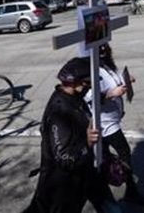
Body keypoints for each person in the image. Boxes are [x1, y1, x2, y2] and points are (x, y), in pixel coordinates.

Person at [24, 57, 114, 213]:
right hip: (64, 186)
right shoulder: (59, 112)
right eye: (87, 83)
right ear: (74, 82)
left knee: (111, 207)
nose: (89, 87)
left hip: (86, 173)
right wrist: (87, 143)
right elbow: (65, 158)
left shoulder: (75, 97)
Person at [84, 45, 144, 206]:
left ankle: (109, 191)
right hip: (105, 124)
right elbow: (88, 96)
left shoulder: (107, 66)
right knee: (123, 153)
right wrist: (111, 94)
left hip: (113, 120)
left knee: (104, 158)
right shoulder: (91, 71)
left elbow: (113, 81)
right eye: (100, 49)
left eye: (105, 48)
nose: (104, 51)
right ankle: (129, 191)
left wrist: (125, 80)